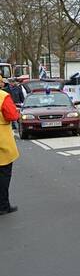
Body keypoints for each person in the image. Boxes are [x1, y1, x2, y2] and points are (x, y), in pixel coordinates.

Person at [0, 86, 19, 215]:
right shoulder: (2, 96)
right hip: (2, 140)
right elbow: (12, 115)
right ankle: (3, 205)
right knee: (3, 176)